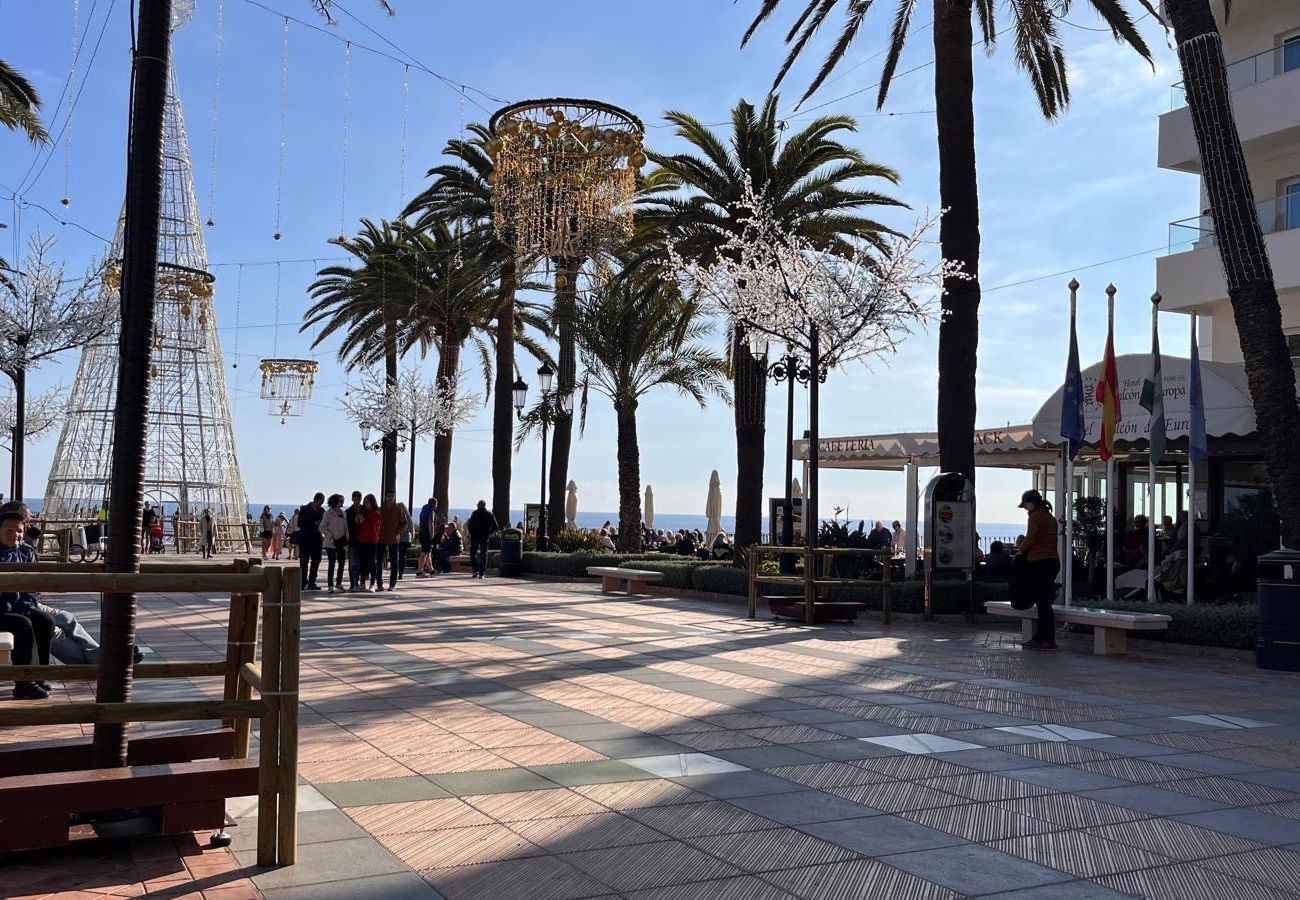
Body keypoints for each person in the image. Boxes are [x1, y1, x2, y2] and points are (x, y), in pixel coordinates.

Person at [0, 510, 56, 699]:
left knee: (45, 620)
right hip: (2, 608)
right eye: (9, 530)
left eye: (19, 531)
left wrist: (26, 603)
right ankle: (23, 683)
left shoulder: (25, 551)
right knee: (22, 624)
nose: (15, 535)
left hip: (17, 606)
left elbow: (32, 587)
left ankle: (39, 675)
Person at [1018, 489, 1061, 651]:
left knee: (1042, 603)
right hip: (1052, 561)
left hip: (1040, 562)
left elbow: (1031, 538)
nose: (1025, 509)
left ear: (1031, 503)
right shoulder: (1049, 517)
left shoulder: (1035, 517)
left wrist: (1020, 550)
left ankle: (1046, 639)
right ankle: (1041, 637)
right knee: (1044, 601)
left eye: (1026, 505)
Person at [297, 493, 326, 591]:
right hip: (306, 539)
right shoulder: (305, 509)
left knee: (316, 561)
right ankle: (302, 582)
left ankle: (312, 582)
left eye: (322, 503)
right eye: (320, 502)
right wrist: (313, 523)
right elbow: (300, 523)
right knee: (304, 562)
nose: (320, 505)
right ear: (315, 500)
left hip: (317, 539)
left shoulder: (322, 511)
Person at [379, 491, 406, 591]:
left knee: (394, 562)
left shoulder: (398, 509)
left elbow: (404, 523)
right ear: (385, 497)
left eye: (392, 496)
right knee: (379, 561)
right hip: (381, 538)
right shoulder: (381, 509)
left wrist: (397, 532)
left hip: (394, 539)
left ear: (394, 498)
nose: (390, 498)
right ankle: (379, 584)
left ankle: (392, 584)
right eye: (388, 496)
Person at [320, 494, 348, 593]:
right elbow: (322, 527)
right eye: (340, 501)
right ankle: (330, 585)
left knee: (341, 564)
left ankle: (339, 583)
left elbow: (346, 528)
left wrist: (347, 539)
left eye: (343, 501)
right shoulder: (328, 513)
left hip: (342, 542)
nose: (342, 503)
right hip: (331, 543)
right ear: (335, 501)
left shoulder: (344, 514)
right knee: (332, 564)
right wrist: (330, 536)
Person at [466, 500, 498, 578]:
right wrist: (489, 533)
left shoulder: (475, 513)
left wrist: (472, 533)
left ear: (478, 505)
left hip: (475, 537)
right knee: (484, 554)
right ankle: (482, 573)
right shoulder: (489, 514)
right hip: (484, 537)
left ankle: (475, 570)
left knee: (473, 553)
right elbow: (495, 526)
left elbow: (470, 525)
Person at [357, 494, 382, 591]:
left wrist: (362, 520)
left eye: (367, 502)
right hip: (362, 540)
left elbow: (372, 527)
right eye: (364, 503)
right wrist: (358, 521)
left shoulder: (376, 513)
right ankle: (362, 583)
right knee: (362, 563)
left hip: (371, 541)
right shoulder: (365, 513)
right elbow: (359, 527)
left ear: (372, 502)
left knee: (371, 562)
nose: (366, 504)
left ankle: (372, 584)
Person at [345, 491, 363, 590]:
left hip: (363, 540)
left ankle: (359, 581)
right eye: (355, 499)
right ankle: (353, 582)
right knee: (353, 563)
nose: (357, 501)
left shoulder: (364, 510)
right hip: (352, 540)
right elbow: (347, 527)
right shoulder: (348, 512)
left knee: (360, 563)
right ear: (352, 499)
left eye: (358, 499)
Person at [417, 497, 437, 577]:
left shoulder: (423, 511)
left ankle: (431, 570)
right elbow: (431, 523)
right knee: (424, 552)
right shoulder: (431, 512)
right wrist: (432, 535)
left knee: (428, 552)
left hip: (422, 533)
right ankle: (419, 571)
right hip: (427, 535)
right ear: (434, 504)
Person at [396, 502, 413, 581]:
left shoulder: (398, 517)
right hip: (406, 539)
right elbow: (411, 528)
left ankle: (398, 572)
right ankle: (400, 573)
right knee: (402, 556)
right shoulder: (409, 517)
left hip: (399, 538)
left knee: (397, 556)